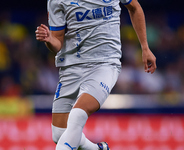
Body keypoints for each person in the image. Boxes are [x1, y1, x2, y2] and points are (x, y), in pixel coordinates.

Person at [35, 0, 157, 149]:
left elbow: (135, 7)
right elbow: (57, 42)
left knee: (77, 116)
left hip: (104, 64)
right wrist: (49, 39)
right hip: (70, 68)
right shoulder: (57, 1)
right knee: (59, 134)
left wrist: (145, 47)